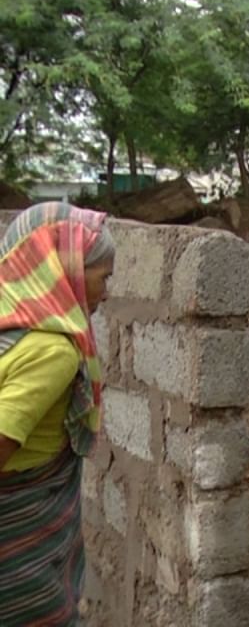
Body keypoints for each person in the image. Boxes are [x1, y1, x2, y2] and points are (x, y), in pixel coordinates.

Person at [0, 203, 115, 626]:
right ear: (63, 271)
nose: (106, 293)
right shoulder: (52, 353)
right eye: (103, 278)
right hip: (19, 556)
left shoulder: (9, 329)